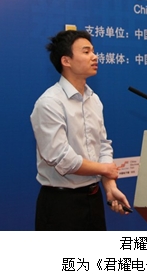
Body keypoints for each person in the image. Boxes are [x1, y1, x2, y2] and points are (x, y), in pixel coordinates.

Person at [30, 29, 130, 230]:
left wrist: (109, 186)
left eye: (93, 51)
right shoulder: (49, 103)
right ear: (66, 60)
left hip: (94, 199)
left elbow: (103, 146)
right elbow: (61, 158)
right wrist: (104, 169)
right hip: (61, 204)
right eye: (86, 52)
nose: (95, 56)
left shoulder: (94, 100)